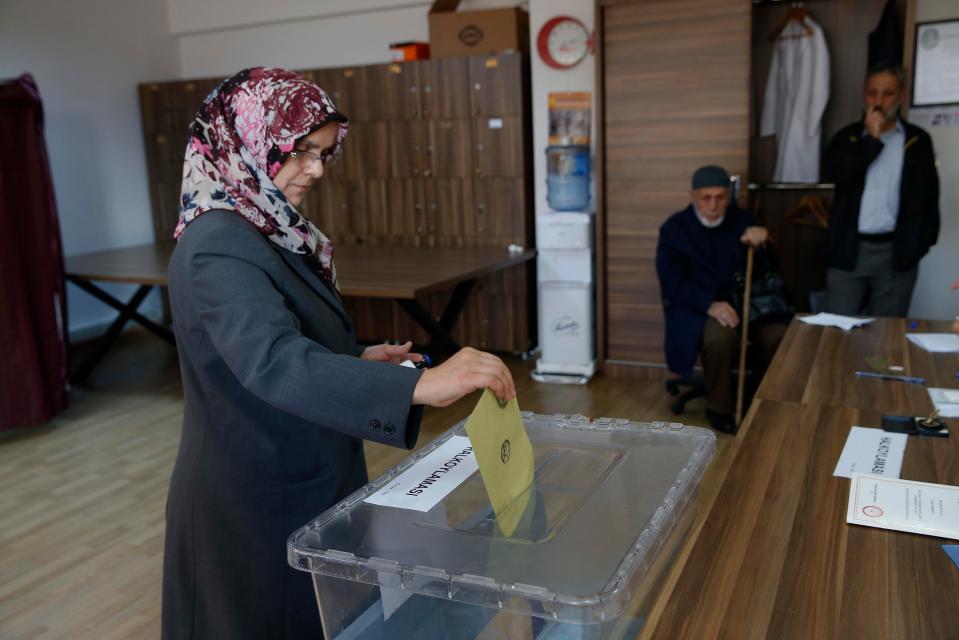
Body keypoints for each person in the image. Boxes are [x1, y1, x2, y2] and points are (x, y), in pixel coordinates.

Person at [161, 68, 516, 640]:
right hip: (254, 501)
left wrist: (352, 357)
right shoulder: (217, 245)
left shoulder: (261, 224)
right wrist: (417, 386)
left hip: (298, 477)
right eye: (300, 152)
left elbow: (279, 334)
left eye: (325, 154)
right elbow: (271, 360)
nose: (317, 170)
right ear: (247, 140)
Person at [656, 165, 787, 434]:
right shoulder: (674, 229)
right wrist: (710, 305)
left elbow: (768, 269)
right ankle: (719, 408)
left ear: (729, 197)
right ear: (693, 196)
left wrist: (763, 242)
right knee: (721, 336)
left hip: (746, 302)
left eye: (720, 197)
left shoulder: (742, 220)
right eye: (706, 198)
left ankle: (760, 398)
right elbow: (672, 283)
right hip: (698, 307)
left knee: (778, 335)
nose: (713, 205)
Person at [823, 63, 940, 317]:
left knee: (885, 336)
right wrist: (872, 141)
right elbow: (839, 176)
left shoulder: (917, 141)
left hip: (896, 253)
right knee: (837, 331)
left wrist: (919, 245)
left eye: (887, 94)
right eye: (871, 93)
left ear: (901, 96)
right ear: (863, 95)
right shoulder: (848, 137)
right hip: (849, 249)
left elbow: (930, 198)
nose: (878, 101)